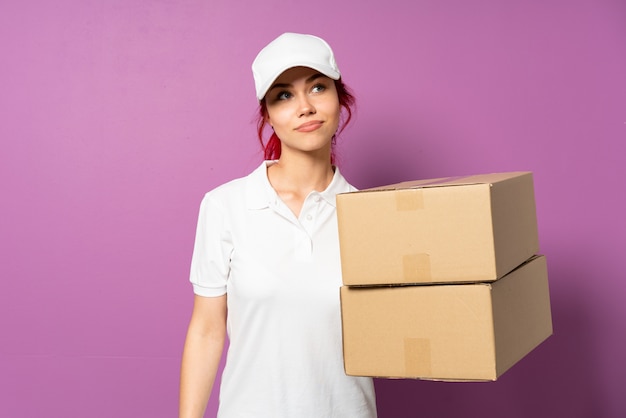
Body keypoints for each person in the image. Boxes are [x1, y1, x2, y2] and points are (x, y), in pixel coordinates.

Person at [179, 32, 377, 418]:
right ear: (267, 115)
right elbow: (206, 329)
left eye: (318, 87)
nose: (305, 107)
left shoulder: (370, 214)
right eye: (284, 95)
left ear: (339, 99)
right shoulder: (225, 206)